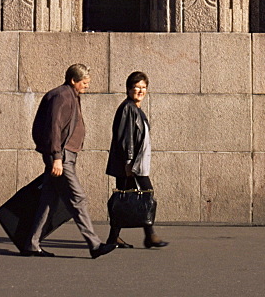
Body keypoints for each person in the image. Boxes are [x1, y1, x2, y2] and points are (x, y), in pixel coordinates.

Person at [24, 63, 115, 259]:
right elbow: (53, 128)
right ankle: (94, 244)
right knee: (78, 198)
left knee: (48, 200)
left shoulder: (70, 95)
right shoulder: (62, 96)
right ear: (73, 80)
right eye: (84, 82)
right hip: (62, 158)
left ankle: (32, 243)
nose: (87, 86)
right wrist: (57, 158)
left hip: (65, 156)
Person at [105, 70, 168, 249]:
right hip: (132, 165)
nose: (140, 90)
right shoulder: (128, 108)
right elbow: (125, 138)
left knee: (125, 198)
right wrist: (128, 162)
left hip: (135, 164)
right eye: (136, 87)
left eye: (144, 87)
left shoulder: (136, 109)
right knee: (146, 195)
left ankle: (114, 237)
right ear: (128, 88)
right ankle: (150, 236)